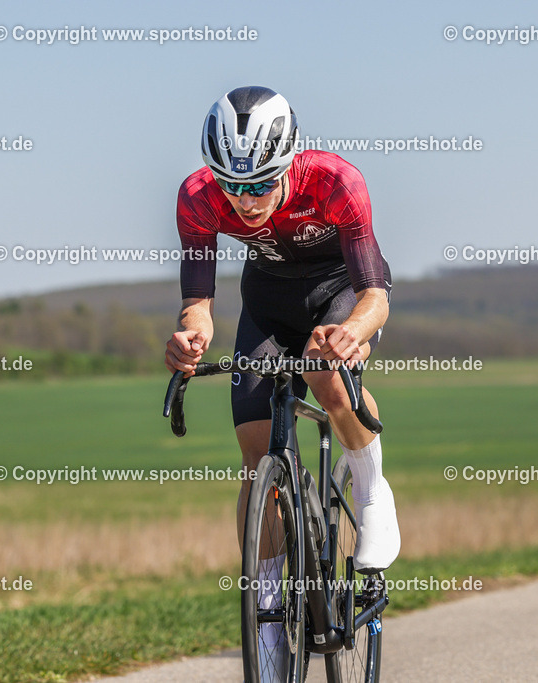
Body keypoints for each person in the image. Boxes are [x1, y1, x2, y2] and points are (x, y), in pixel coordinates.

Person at [164, 86, 400, 680]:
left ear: (288, 162)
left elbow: (375, 295)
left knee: (325, 371)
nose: (244, 202)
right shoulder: (196, 196)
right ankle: (268, 624)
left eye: (260, 184)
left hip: (338, 290)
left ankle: (372, 490)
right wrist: (191, 335)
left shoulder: (335, 181)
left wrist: (351, 332)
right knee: (255, 453)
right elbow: (198, 302)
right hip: (266, 302)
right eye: (232, 186)